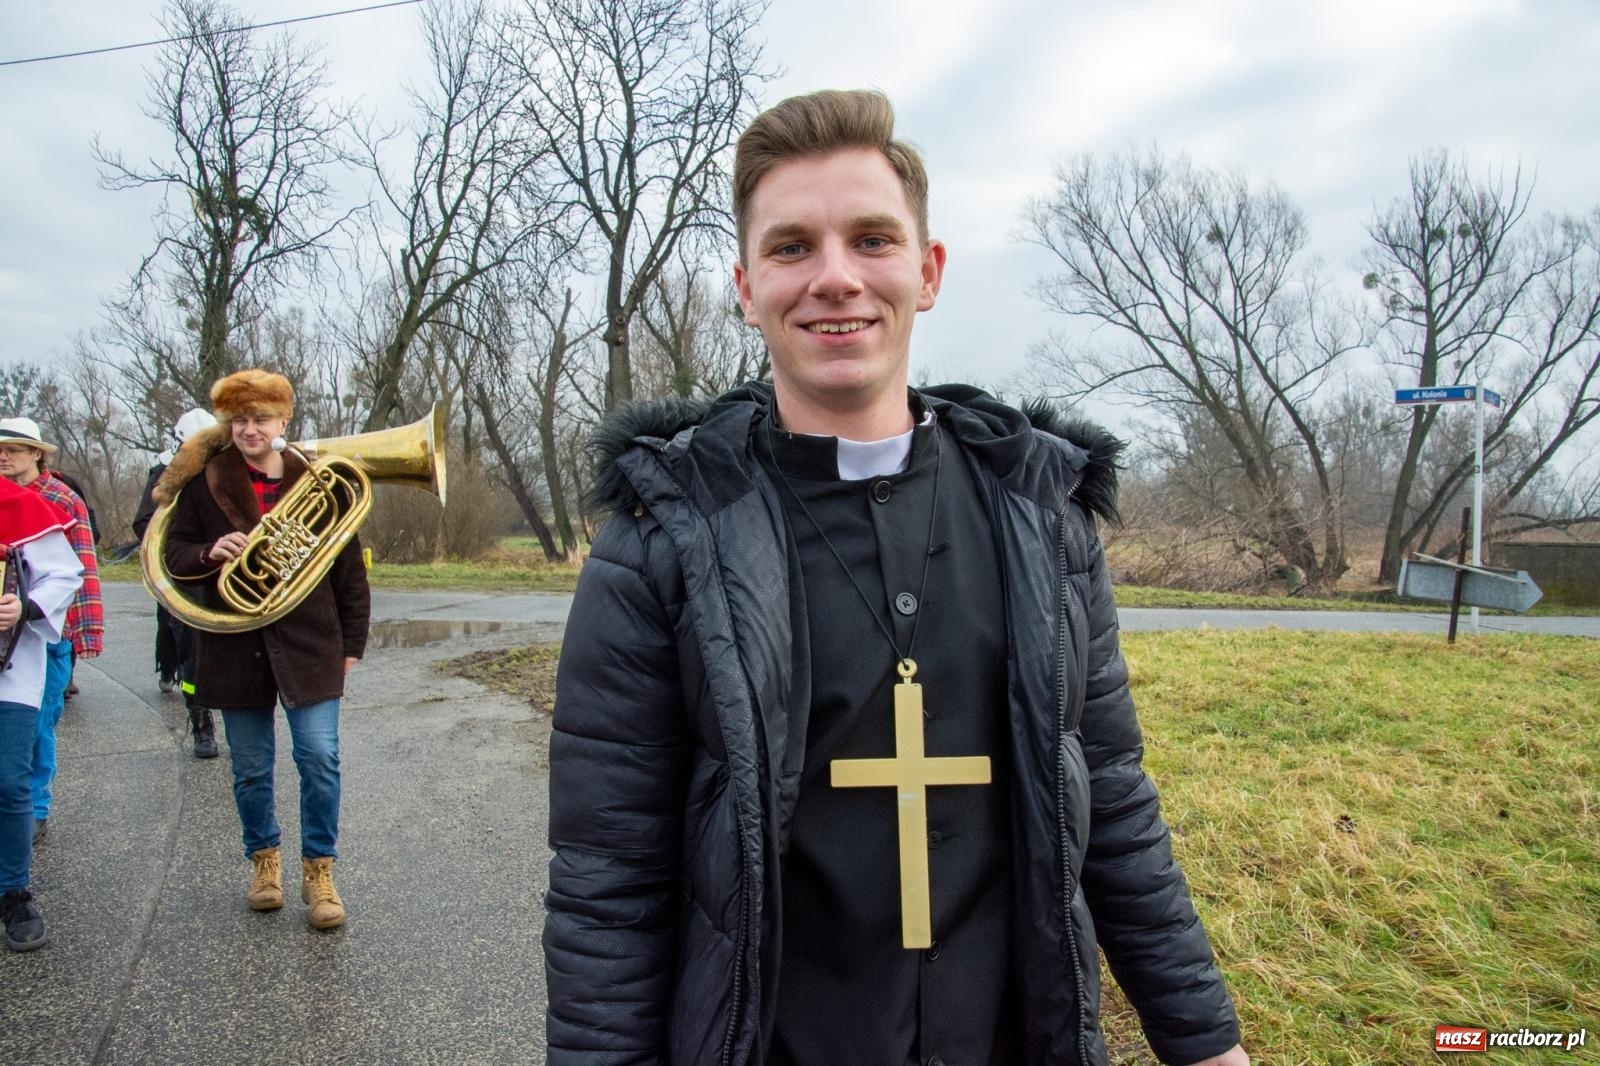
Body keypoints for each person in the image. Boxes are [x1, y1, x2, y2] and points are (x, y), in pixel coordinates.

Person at [543, 90, 1249, 1065]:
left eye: (871, 239)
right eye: (792, 247)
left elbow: (1115, 804)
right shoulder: (665, 536)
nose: (835, 277)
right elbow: (606, 881)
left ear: (926, 271)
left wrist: (1204, 1042)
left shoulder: (1037, 514)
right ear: (746, 287)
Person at [156, 370, 369, 930]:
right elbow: (173, 555)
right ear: (230, 425)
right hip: (234, 643)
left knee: (320, 760)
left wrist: (353, 644)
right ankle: (264, 863)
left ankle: (319, 870)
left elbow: (349, 574)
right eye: (240, 420)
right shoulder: (204, 485)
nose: (250, 429)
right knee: (251, 769)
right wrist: (209, 553)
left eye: (261, 419)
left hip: (309, 644)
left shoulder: (323, 482)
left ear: (283, 423)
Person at [0, 417, 104, 846]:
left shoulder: (63, 498)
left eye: (15, 449)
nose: (4, 456)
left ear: (37, 453)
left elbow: (80, 566)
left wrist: (87, 631)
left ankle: (35, 807)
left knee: (38, 722)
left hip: (48, 632)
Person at [0, 476, 84, 951]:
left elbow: (63, 574)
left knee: (10, 780)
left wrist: (25, 606)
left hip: (8, 671)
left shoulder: (20, 505)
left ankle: (13, 892)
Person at [133, 407, 221, 758]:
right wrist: (177, 543)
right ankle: (200, 721)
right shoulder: (163, 473)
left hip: (221, 571)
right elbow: (143, 525)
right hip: (182, 573)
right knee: (191, 647)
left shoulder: (227, 470)